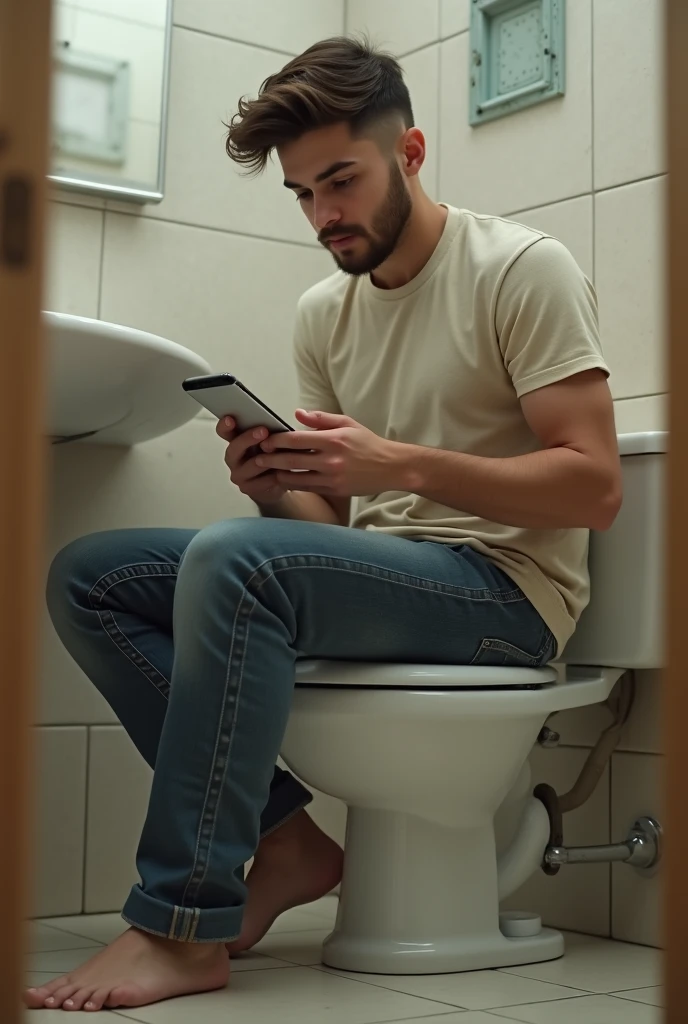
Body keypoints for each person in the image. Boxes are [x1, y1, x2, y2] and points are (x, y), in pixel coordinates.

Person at [26, 35, 621, 1013]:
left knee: (235, 560)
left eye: (339, 181)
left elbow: (595, 486)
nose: (323, 215)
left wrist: (396, 462)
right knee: (91, 574)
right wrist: (271, 481)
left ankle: (182, 924)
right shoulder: (324, 312)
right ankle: (289, 842)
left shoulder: (521, 269)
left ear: (412, 153)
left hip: (507, 594)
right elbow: (320, 532)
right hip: (395, 576)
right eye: (301, 193)